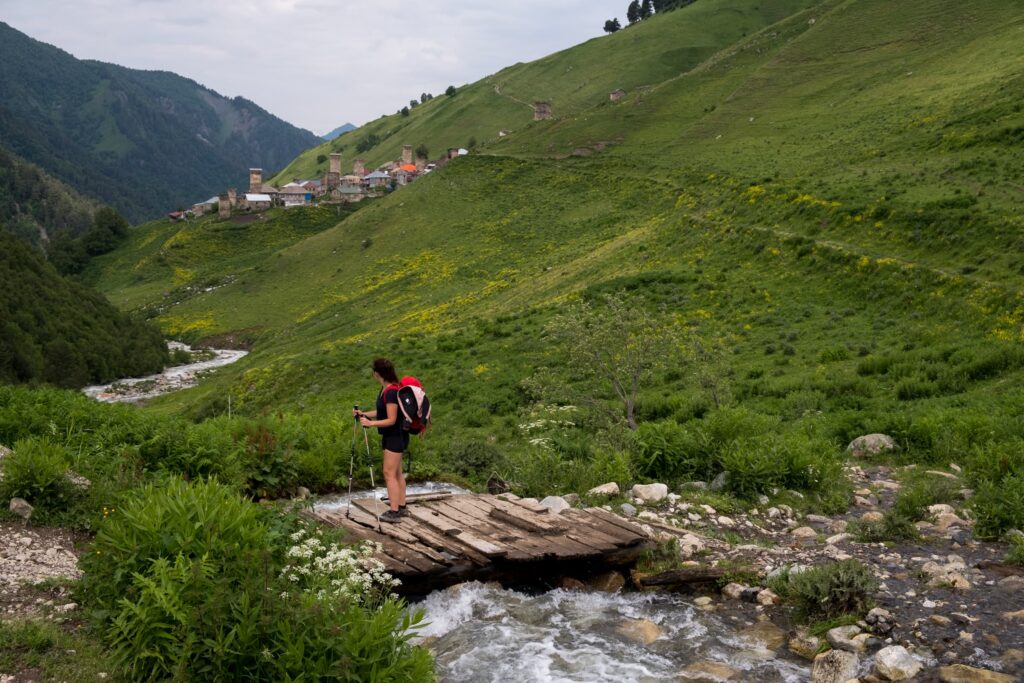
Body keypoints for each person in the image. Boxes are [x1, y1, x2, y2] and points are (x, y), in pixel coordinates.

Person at [354, 358, 408, 523]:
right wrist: (363, 414)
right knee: (397, 473)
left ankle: (394, 512)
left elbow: (391, 419)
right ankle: (401, 507)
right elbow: (381, 412)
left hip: (395, 436)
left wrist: (371, 424)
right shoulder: (386, 389)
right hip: (393, 436)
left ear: (377, 373)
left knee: (388, 473)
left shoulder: (391, 391)